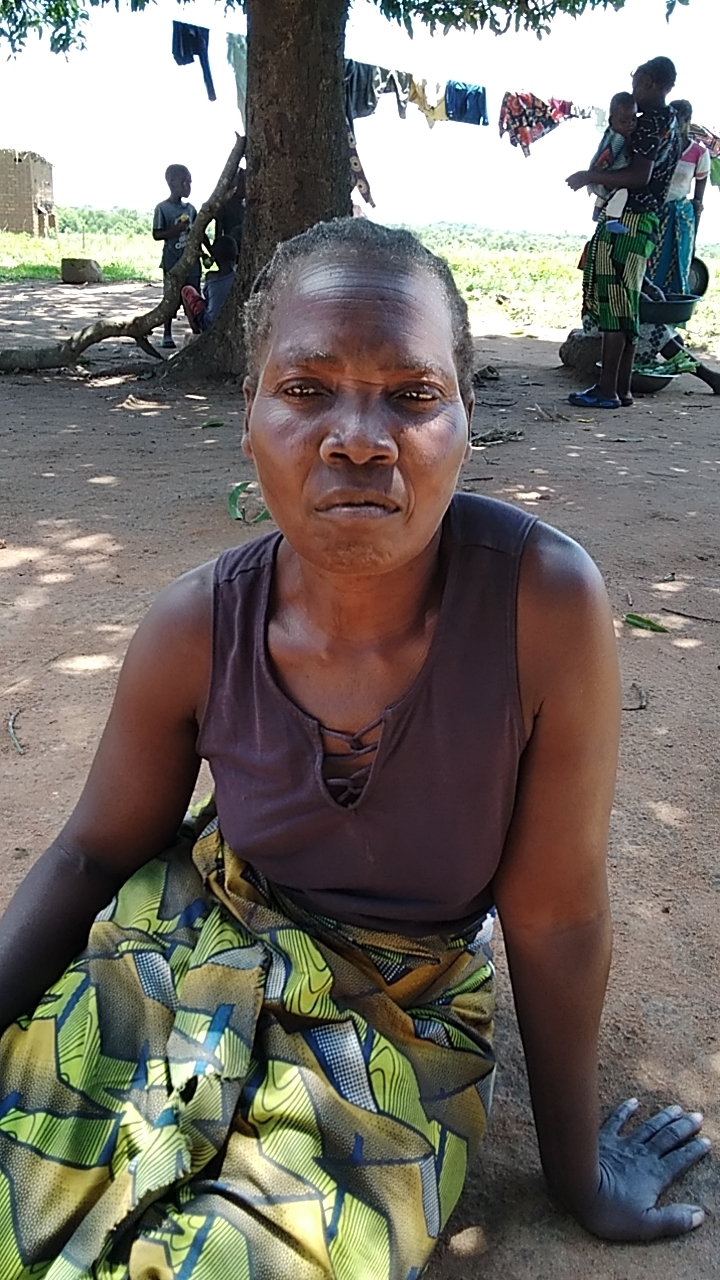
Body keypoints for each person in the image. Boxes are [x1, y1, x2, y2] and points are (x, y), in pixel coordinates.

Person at [0, 219, 709, 1279]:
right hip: (188, 936)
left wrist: (578, 1175)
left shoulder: (541, 609)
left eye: (413, 395)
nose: (360, 438)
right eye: (306, 389)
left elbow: (556, 916)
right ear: (250, 417)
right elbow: (93, 851)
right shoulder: (196, 626)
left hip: (401, 1008)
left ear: (465, 421)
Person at [566, 56, 680, 410]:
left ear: (648, 81)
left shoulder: (648, 124)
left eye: (635, 82)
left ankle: (607, 391)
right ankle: (623, 388)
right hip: (646, 222)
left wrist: (590, 176)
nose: (632, 91)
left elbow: (638, 176)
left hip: (626, 221)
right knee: (627, 306)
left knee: (615, 305)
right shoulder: (673, 122)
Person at [648, 99, 710, 295]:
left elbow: (698, 201)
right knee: (649, 264)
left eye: (679, 120)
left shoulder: (699, 153)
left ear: (687, 120)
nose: (674, 124)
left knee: (677, 265)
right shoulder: (659, 147)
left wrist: (693, 234)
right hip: (655, 213)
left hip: (680, 216)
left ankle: (671, 307)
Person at [152, 164, 204, 350]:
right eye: (185, 182)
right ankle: (167, 333)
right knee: (171, 296)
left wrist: (206, 251)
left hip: (192, 262)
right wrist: (176, 230)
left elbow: (198, 233)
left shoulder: (191, 209)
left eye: (190, 182)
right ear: (172, 183)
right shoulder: (162, 208)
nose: (188, 186)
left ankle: (197, 331)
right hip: (172, 262)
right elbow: (157, 234)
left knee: (194, 296)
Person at [587, 92, 637, 233]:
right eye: (624, 122)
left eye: (633, 119)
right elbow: (607, 158)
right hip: (606, 177)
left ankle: (598, 209)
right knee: (623, 192)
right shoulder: (618, 139)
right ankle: (612, 220)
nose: (630, 124)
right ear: (611, 121)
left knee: (606, 193)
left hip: (599, 178)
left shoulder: (609, 133)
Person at [181, 234, 238, 335]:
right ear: (236, 257)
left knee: (186, 290)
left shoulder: (211, 277)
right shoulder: (239, 277)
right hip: (233, 321)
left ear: (214, 259)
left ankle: (196, 331)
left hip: (209, 324)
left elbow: (208, 300)